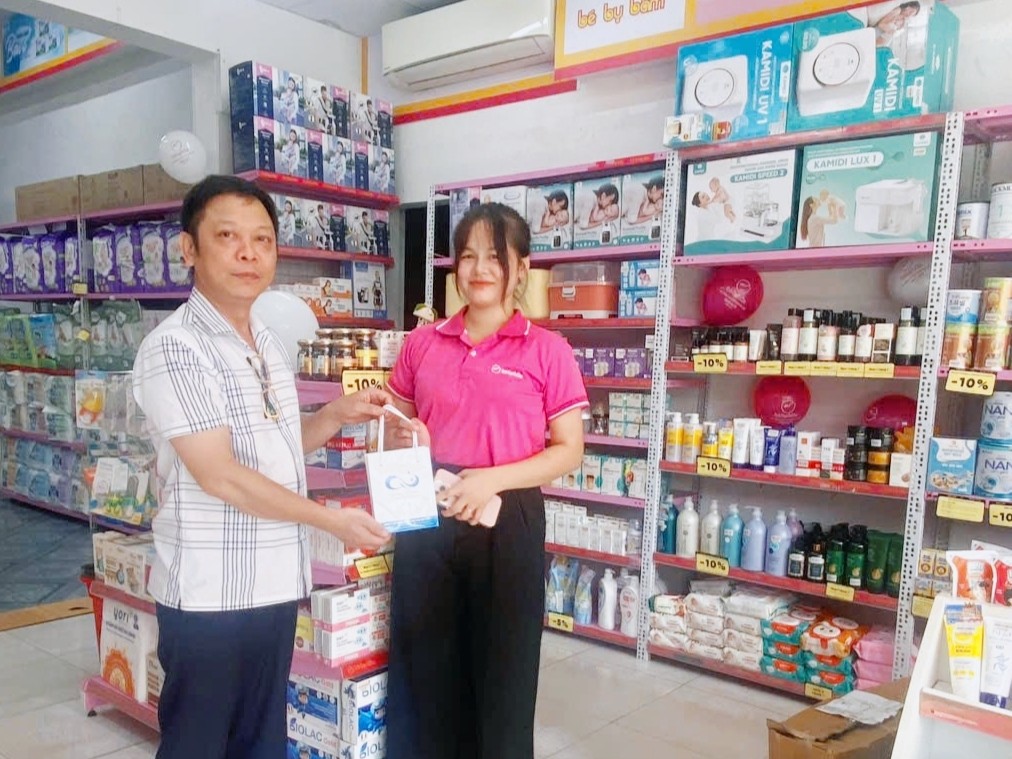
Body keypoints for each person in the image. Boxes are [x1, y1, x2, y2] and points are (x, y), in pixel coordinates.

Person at [132, 175, 391, 759]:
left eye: (262, 240)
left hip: (272, 583)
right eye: (228, 237)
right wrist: (332, 521)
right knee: (198, 744)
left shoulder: (268, 343)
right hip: (210, 594)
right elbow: (220, 474)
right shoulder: (177, 347)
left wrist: (336, 414)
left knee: (261, 742)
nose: (248, 253)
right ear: (189, 248)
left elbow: (274, 449)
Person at [384, 202, 588, 759]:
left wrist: (489, 481)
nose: (478, 269)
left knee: (503, 671)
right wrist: (406, 440)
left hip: (508, 514)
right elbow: (397, 427)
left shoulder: (547, 350)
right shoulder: (423, 344)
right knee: (423, 664)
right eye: (468, 256)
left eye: (494, 257)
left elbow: (568, 450)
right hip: (429, 511)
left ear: (520, 267)